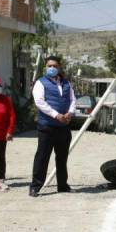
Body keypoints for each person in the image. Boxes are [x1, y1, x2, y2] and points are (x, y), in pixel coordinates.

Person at [29, 56, 76, 197]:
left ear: (59, 67)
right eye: (49, 66)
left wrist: (70, 113)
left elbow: (72, 99)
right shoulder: (40, 83)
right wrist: (56, 115)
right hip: (47, 126)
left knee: (62, 158)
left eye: (55, 66)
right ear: (45, 67)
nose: (52, 68)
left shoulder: (67, 83)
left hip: (63, 127)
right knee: (42, 157)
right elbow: (40, 102)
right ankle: (35, 186)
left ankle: (62, 185)